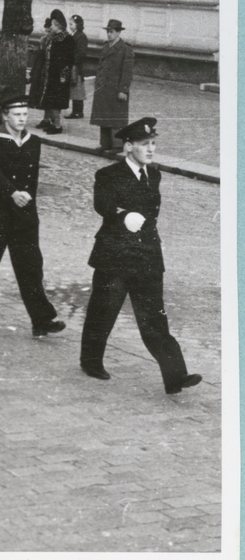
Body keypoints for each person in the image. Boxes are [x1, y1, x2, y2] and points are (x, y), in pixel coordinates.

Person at [79, 118, 201, 394]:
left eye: (153, 144)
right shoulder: (108, 175)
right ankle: (90, 361)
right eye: (145, 144)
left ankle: (176, 377)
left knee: (155, 317)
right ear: (128, 146)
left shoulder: (153, 175)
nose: (151, 149)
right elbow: (103, 203)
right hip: (115, 255)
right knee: (104, 310)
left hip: (146, 255)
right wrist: (122, 215)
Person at [0, 94, 66, 335]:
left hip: (24, 218)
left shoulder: (33, 142)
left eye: (25, 114)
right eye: (17, 115)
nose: (22, 119)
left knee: (31, 269)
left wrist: (29, 209)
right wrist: (12, 192)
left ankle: (41, 320)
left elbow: (32, 181)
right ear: (5, 116)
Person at [90, 19, 134, 155]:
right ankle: (105, 143)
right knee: (103, 117)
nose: (109, 35)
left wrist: (123, 90)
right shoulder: (105, 47)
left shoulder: (126, 49)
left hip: (116, 90)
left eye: (112, 32)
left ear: (119, 32)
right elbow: (100, 68)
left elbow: (127, 72)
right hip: (103, 89)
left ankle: (117, 145)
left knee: (115, 118)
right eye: (108, 32)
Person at [28, 9, 74, 134]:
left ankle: (58, 126)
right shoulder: (53, 39)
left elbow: (69, 60)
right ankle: (52, 123)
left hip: (59, 76)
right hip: (49, 75)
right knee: (50, 101)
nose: (51, 27)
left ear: (58, 25)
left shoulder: (67, 39)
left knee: (56, 102)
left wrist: (64, 76)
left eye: (53, 25)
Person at [65, 14, 89, 120]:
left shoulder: (81, 36)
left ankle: (78, 112)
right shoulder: (74, 35)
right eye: (69, 24)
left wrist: (71, 60)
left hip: (76, 67)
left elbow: (81, 53)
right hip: (73, 65)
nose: (70, 26)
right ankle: (76, 111)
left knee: (77, 88)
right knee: (75, 89)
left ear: (78, 25)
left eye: (72, 24)